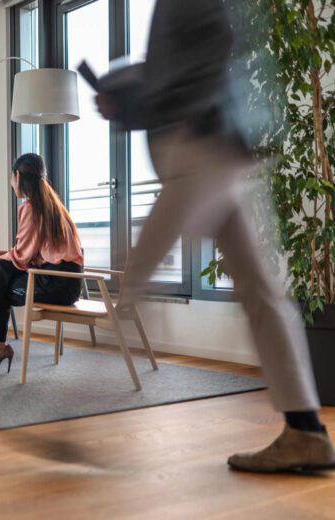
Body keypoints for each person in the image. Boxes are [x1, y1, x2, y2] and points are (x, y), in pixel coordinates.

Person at [95, 0, 335, 472]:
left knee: (136, 274)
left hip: (202, 144)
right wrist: (124, 95)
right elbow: (181, 64)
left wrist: (174, 109)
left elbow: (213, 47)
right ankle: (306, 430)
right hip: (221, 141)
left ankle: (89, 406)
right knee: (261, 293)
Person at [0, 153, 84, 373]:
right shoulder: (51, 205)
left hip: (55, 284)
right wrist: (3, 254)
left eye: (11, 178)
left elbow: (21, 257)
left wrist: (0, 260)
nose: (11, 184)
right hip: (67, 283)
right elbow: (34, 252)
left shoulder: (31, 208)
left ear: (17, 175)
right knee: (0, 276)